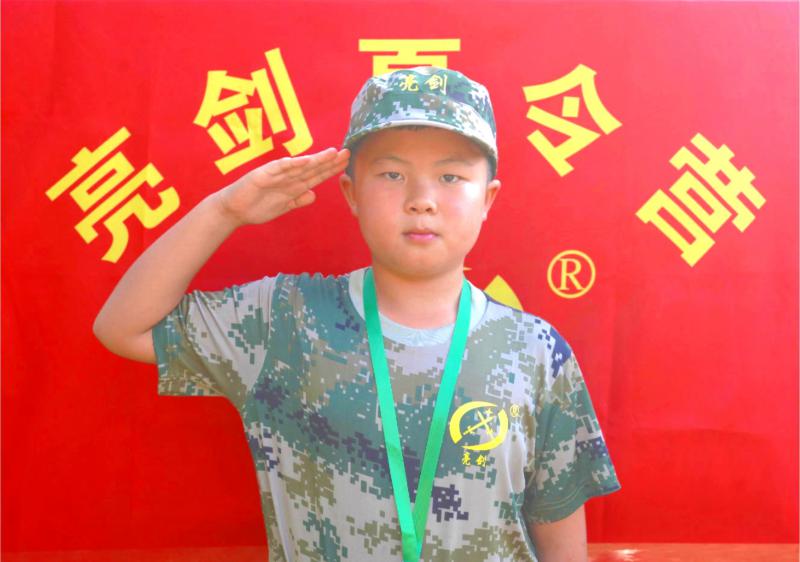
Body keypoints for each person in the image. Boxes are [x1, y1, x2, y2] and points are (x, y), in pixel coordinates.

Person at [93, 65, 621, 562]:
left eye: (451, 177)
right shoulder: (286, 321)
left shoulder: (534, 350)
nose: (421, 200)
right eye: (391, 173)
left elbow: (558, 530)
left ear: (488, 198)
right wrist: (224, 211)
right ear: (351, 192)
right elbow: (122, 328)